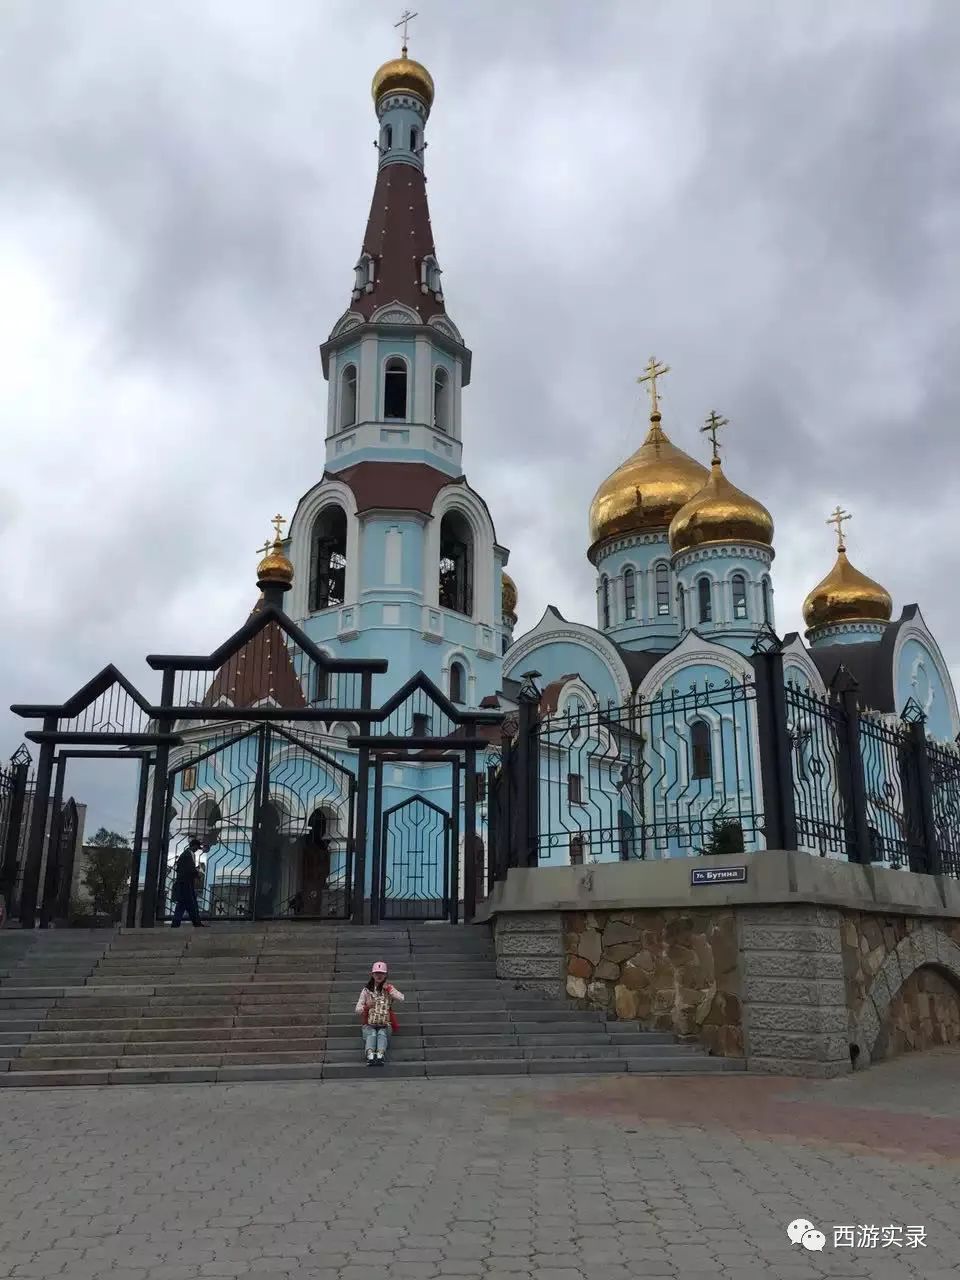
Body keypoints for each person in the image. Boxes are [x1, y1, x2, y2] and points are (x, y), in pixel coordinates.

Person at [355, 961, 404, 1066]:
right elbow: (357, 1009)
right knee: (371, 1033)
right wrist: (367, 1006)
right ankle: (370, 1055)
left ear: (385, 975)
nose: (379, 975)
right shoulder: (366, 991)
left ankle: (380, 1054)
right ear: (372, 974)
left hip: (385, 1023)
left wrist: (390, 989)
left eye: (381, 973)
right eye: (376, 973)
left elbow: (401, 998)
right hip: (369, 1023)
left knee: (382, 1033)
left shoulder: (389, 988)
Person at [171, 839, 205, 928]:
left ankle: (177, 924)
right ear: (194, 846)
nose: (197, 849)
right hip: (185, 883)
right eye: (197, 847)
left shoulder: (188, 854)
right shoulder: (187, 854)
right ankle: (196, 923)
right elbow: (189, 868)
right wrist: (197, 874)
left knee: (183, 904)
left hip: (186, 882)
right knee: (190, 903)